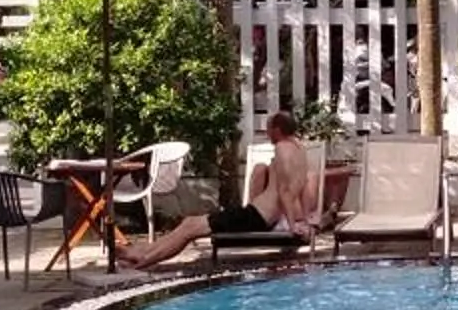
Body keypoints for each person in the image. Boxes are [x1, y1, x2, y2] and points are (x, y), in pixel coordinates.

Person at [125, 114, 318, 269]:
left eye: (268, 129)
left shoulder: (282, 149)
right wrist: (305, 220)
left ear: (277, 130)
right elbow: (300, 187)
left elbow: (285, 191)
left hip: (256, 216)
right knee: (190, 223)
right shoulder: (300, 150)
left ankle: (144, 260)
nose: (267, 134)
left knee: (190, 228)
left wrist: (292, 226)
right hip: (257, 215)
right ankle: (143, 252)